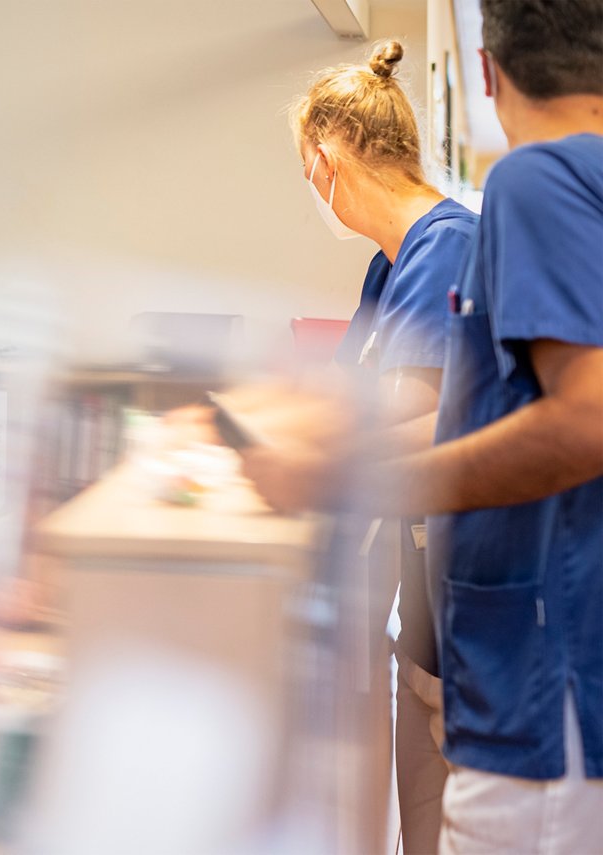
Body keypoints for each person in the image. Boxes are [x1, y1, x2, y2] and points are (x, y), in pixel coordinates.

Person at [249, 2, 603, 850]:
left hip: (541, 676)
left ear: (487, 71)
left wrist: (346, 474)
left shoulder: (537, 181)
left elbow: (583, 419)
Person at [288, 39, 479, 854]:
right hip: (409, 567)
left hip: (468, 573)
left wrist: (298, 463)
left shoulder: (449, 244)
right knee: (409, 801)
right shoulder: (389, 265)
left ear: (327, 156)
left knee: (445, 796)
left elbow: (413, 414)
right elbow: (346, 398)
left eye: (305, 168)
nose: (311, 188)